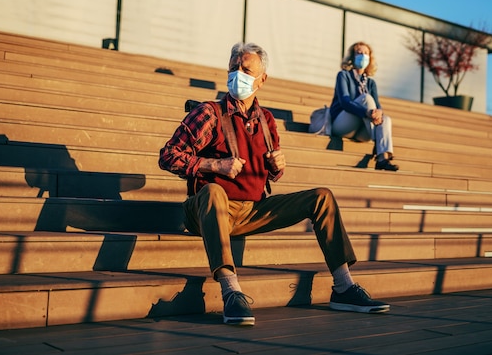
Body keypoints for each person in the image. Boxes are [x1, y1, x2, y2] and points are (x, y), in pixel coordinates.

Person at [159, 42, 389, 326]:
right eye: (233, 68)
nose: (237, 75)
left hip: (252, 210)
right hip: (205, 211)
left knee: (322, 196)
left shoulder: (266, 120)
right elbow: (168, 156)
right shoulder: (208, 113)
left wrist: (275, 168)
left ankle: (343, 287)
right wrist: (213, 165)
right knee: (214, 191)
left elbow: (268, 177)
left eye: (245, 69)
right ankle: (231, 291)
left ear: (262, 79)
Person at [329, 42, 399, 171]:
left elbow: (378, 107)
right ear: (352, 56)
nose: (363, 56)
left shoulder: (371, 83)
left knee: (386, 119)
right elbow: (345, 102)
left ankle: (382, 158)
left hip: (362, 131)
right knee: (365, 98)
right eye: (359, 53)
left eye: (366, 53)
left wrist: (377, 114)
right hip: (342, 125)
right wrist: (367, 113)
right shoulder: (343, 75)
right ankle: (380, 146)